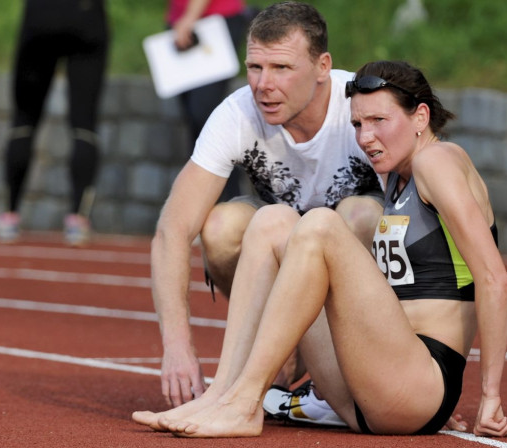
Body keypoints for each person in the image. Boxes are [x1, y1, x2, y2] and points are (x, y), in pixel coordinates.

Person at [132, 60, 507, 438]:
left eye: (379, 121)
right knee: (273, 221)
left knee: (321, 225)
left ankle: (245, 404)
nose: (365, 137)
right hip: (368, 380)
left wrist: (490, 397)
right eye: (357, 124)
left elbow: (494, 279)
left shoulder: (438, 161)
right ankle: (221, 395)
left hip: (420, 383)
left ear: (421, 117)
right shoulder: (396, 176)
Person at [146, 0, 383, 412]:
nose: (263, 84)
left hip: (353, 262)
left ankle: (356, 361)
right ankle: (282, 347)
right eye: (255, 67)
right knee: (220, 228)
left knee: (359, 217)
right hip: (280, 244)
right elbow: (173, 230)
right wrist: (178, 347)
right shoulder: (237, 113)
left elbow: (425, 224)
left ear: (323, 67)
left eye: (281, 68)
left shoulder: (364, 109)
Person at [0, 0, 109, 246]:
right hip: (86, 15)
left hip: (41, 16)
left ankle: (8, 217)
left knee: (24, 121)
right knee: (84, 125)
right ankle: (78, 222)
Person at [166, 0, 255, 200]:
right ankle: (202, 200)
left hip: (212, 21)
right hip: (179, 23)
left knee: (205, 116)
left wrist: (190, 17)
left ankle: (231, 196)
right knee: (194, 121)